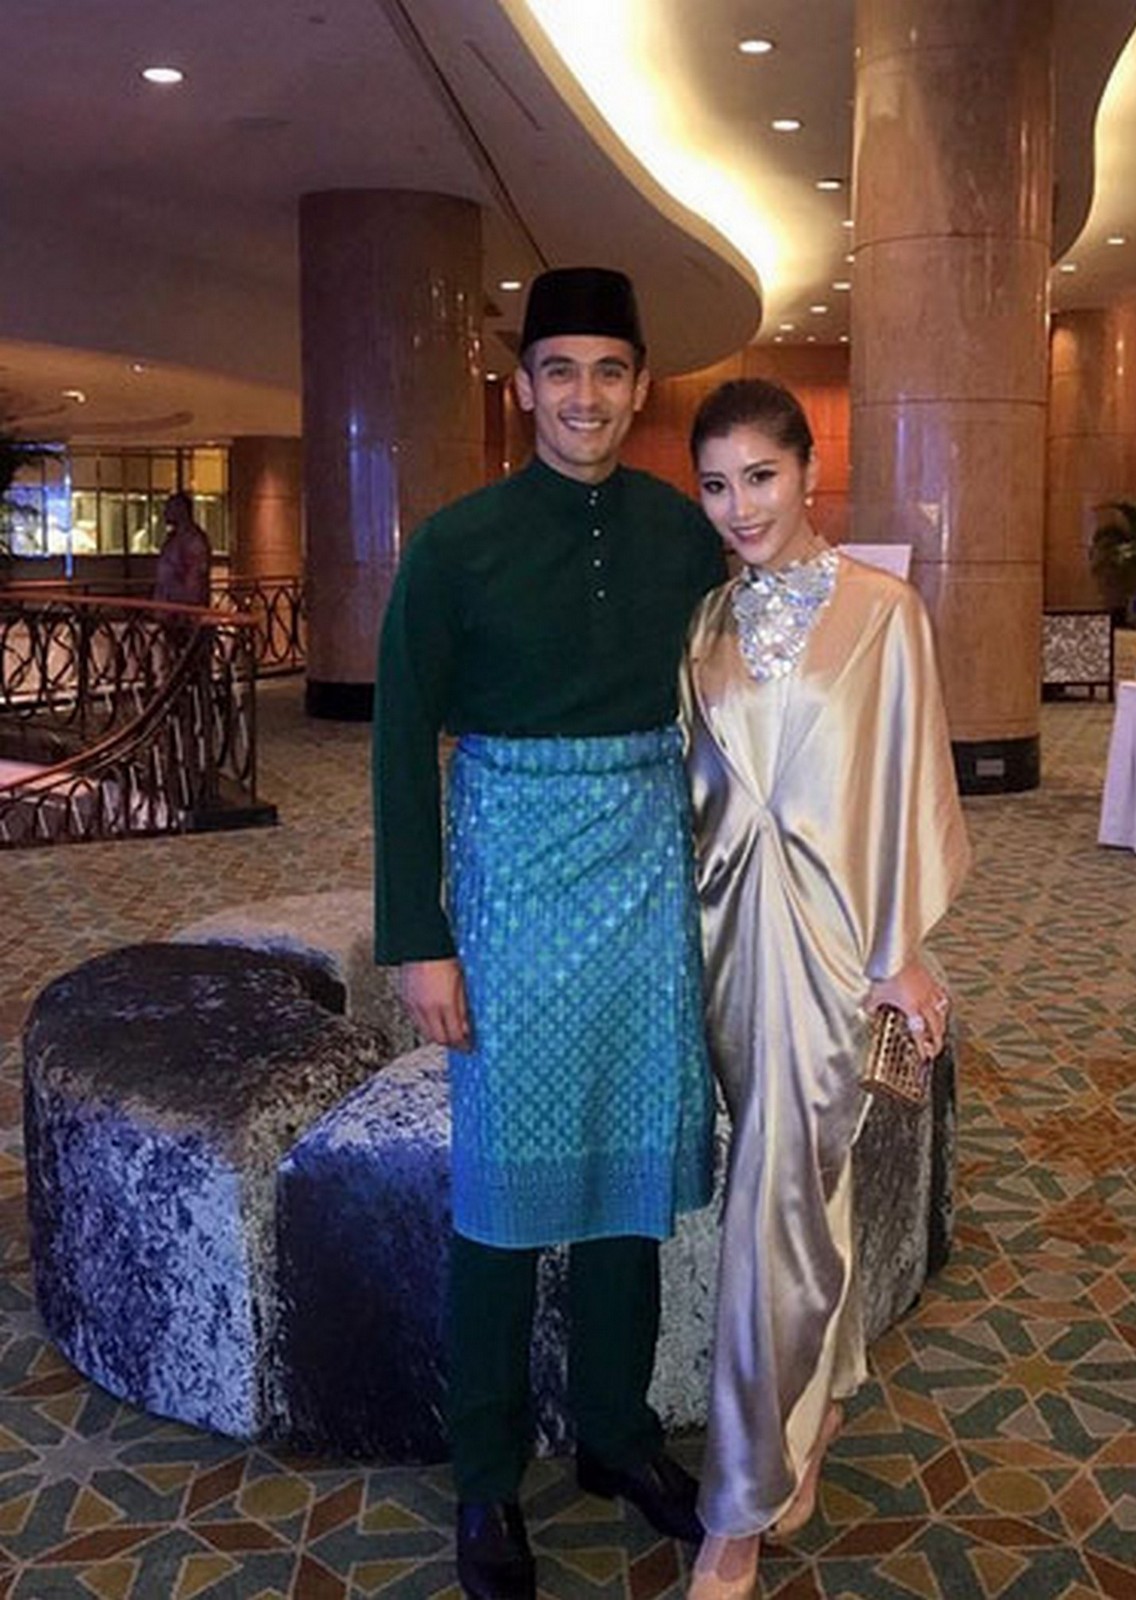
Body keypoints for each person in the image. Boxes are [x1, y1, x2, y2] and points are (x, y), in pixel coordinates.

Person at [372, 267, 728, 1600]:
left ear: (639, 390)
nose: (585, 395)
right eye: (560, 370)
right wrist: (418, 937)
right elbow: (399, 745)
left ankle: (614, 1436)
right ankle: (485, 1477)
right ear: (520, 388)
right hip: (511, 890)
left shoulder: (680, 534)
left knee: (631, 1177)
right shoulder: (455, 544)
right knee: (503, 1194)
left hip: (643, 881)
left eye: (609, 371)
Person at [678, 379, 972, 1599]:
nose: (739, 506)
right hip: (723, 946)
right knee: (808, 1191)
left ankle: (738, 1505)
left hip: (833, 949)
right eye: (715, 484)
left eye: (760, 475)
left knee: (772, 1210)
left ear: (807, 472)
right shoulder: (703, 621)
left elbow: (905, 779)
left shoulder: (882, 612)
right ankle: (823, 1399)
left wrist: (899, 948)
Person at [153, 491, 211, 606]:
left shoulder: (193, 540)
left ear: (181, 510)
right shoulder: (172, 539)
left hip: (182, 608)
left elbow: (194, 581)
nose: (165, 513)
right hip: (168, 605)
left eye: (169, 508)